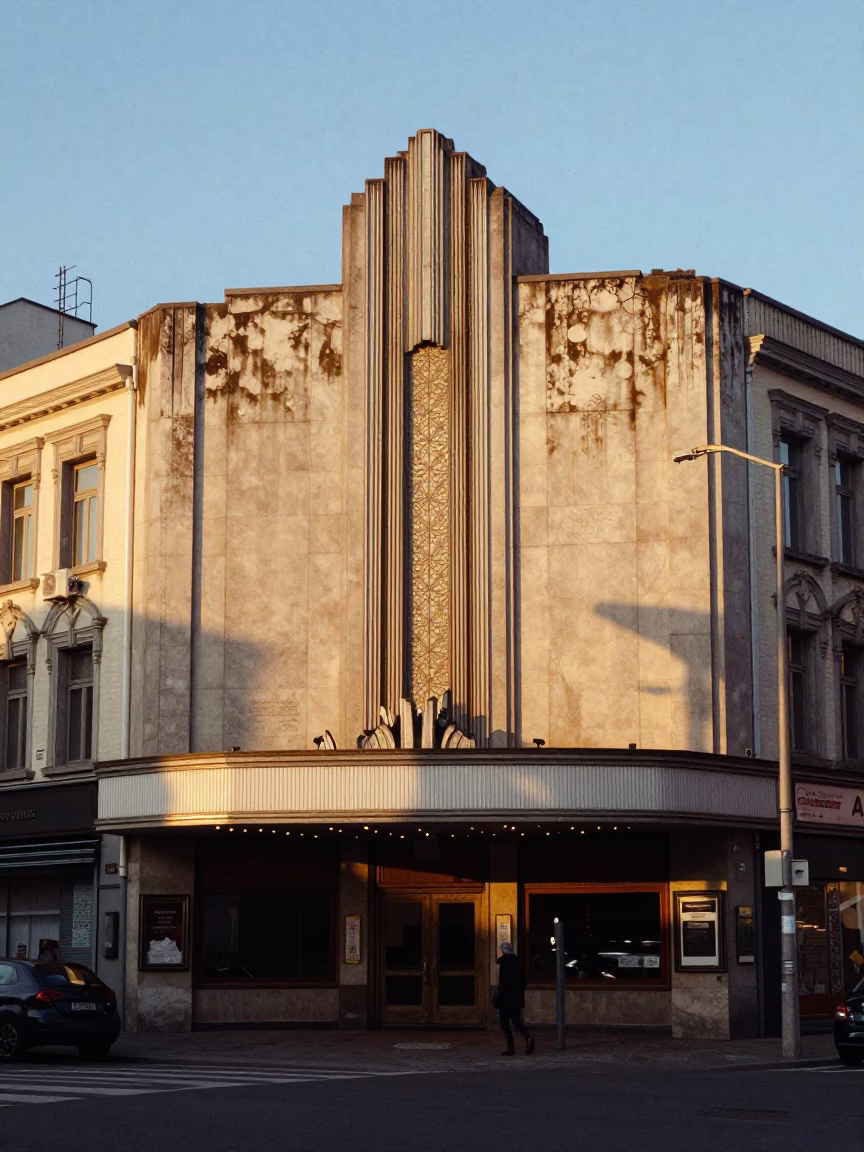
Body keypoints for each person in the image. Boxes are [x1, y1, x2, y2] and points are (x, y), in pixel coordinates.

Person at [495, 941, 534, 1056]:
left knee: (505, 1023)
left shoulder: (503, 963)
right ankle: (527, 1036)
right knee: (517, 1021)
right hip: (516, 998)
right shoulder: (518, 962)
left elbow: (503, 983)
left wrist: (498, 999)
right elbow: (523, 982)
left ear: (503, 950)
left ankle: (510, 1048)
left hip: (506, 999)